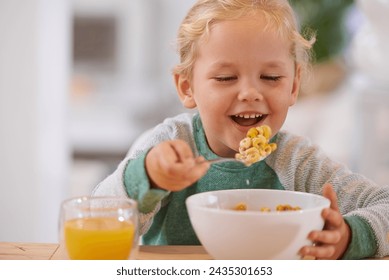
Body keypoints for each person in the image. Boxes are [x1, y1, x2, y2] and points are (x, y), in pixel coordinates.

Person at [93, 0, 389, 260]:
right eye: (225, 78)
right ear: (187, 87)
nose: (249, 93)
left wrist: (350, 236)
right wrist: (147, 177)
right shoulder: (167, 147)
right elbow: (96, 219)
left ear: (294, 85)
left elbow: (384, 205)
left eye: (270, 77)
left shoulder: (298, 164)